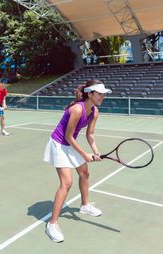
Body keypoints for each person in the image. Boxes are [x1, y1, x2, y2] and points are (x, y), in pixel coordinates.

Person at [43, 79, 112, 242]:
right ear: (90, 94)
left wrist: (95, 151)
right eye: (100, 94)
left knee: (85, 173)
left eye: (103, 94)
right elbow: (67, 136)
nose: (103, 96)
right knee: (66, 183)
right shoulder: (76, 109)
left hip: (70, 144)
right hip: (59, 144)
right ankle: (52, 224)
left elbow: (90, 135)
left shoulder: (94, 112)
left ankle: (85, 205)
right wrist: (85, 154)